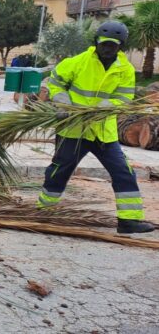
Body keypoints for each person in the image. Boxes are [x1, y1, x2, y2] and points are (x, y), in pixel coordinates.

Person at [38, 20, 154, 234]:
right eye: (104, 44)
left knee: (123, 172)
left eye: (113, 45)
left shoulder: (125, 69)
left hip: (103, 131)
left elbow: (124, 97)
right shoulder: (77, 62)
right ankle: (42, 212)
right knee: (59, 171)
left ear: (121, 46)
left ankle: (128, 221)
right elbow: (55, 83)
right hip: (73, 129)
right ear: (97, 42)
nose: (108, 48)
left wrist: (102, 108)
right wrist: (63, 102)